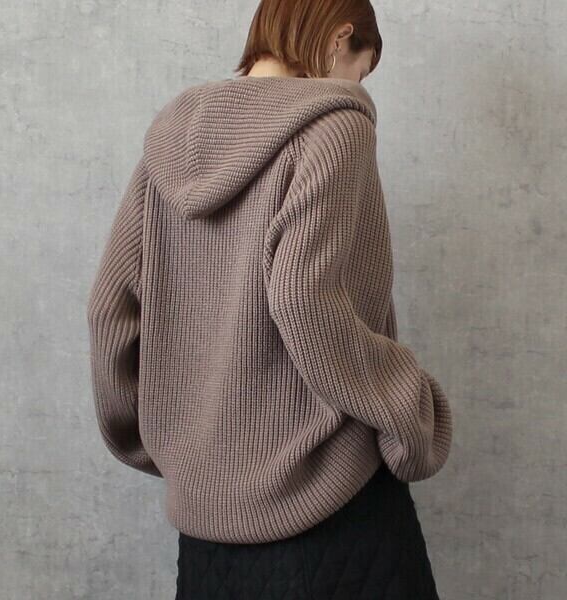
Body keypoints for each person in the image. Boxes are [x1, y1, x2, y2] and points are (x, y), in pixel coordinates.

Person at [86, 0, 453, 598]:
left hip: (207, 524)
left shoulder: (174, 138)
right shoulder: (335, 127)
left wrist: (161, 444)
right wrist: (407, 407)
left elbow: (110, 309)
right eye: (361, 71)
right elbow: (306, 300)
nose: (356, 87)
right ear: (340, 38)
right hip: (330, 501)